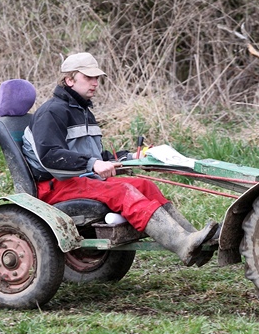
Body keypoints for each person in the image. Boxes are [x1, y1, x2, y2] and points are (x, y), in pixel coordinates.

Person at [22, 52, 218, 267]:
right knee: (122, 192)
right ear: (69, 80)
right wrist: (93, 164)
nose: (95, 83)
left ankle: (194, 238)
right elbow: (51, 156)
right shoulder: (52, 112)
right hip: (54, 186)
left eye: (97, 78)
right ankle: (182, 244)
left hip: (80, 178)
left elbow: (95, 155)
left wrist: (132, 156)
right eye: (88, 78)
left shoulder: (83, 111)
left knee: (144, 185)